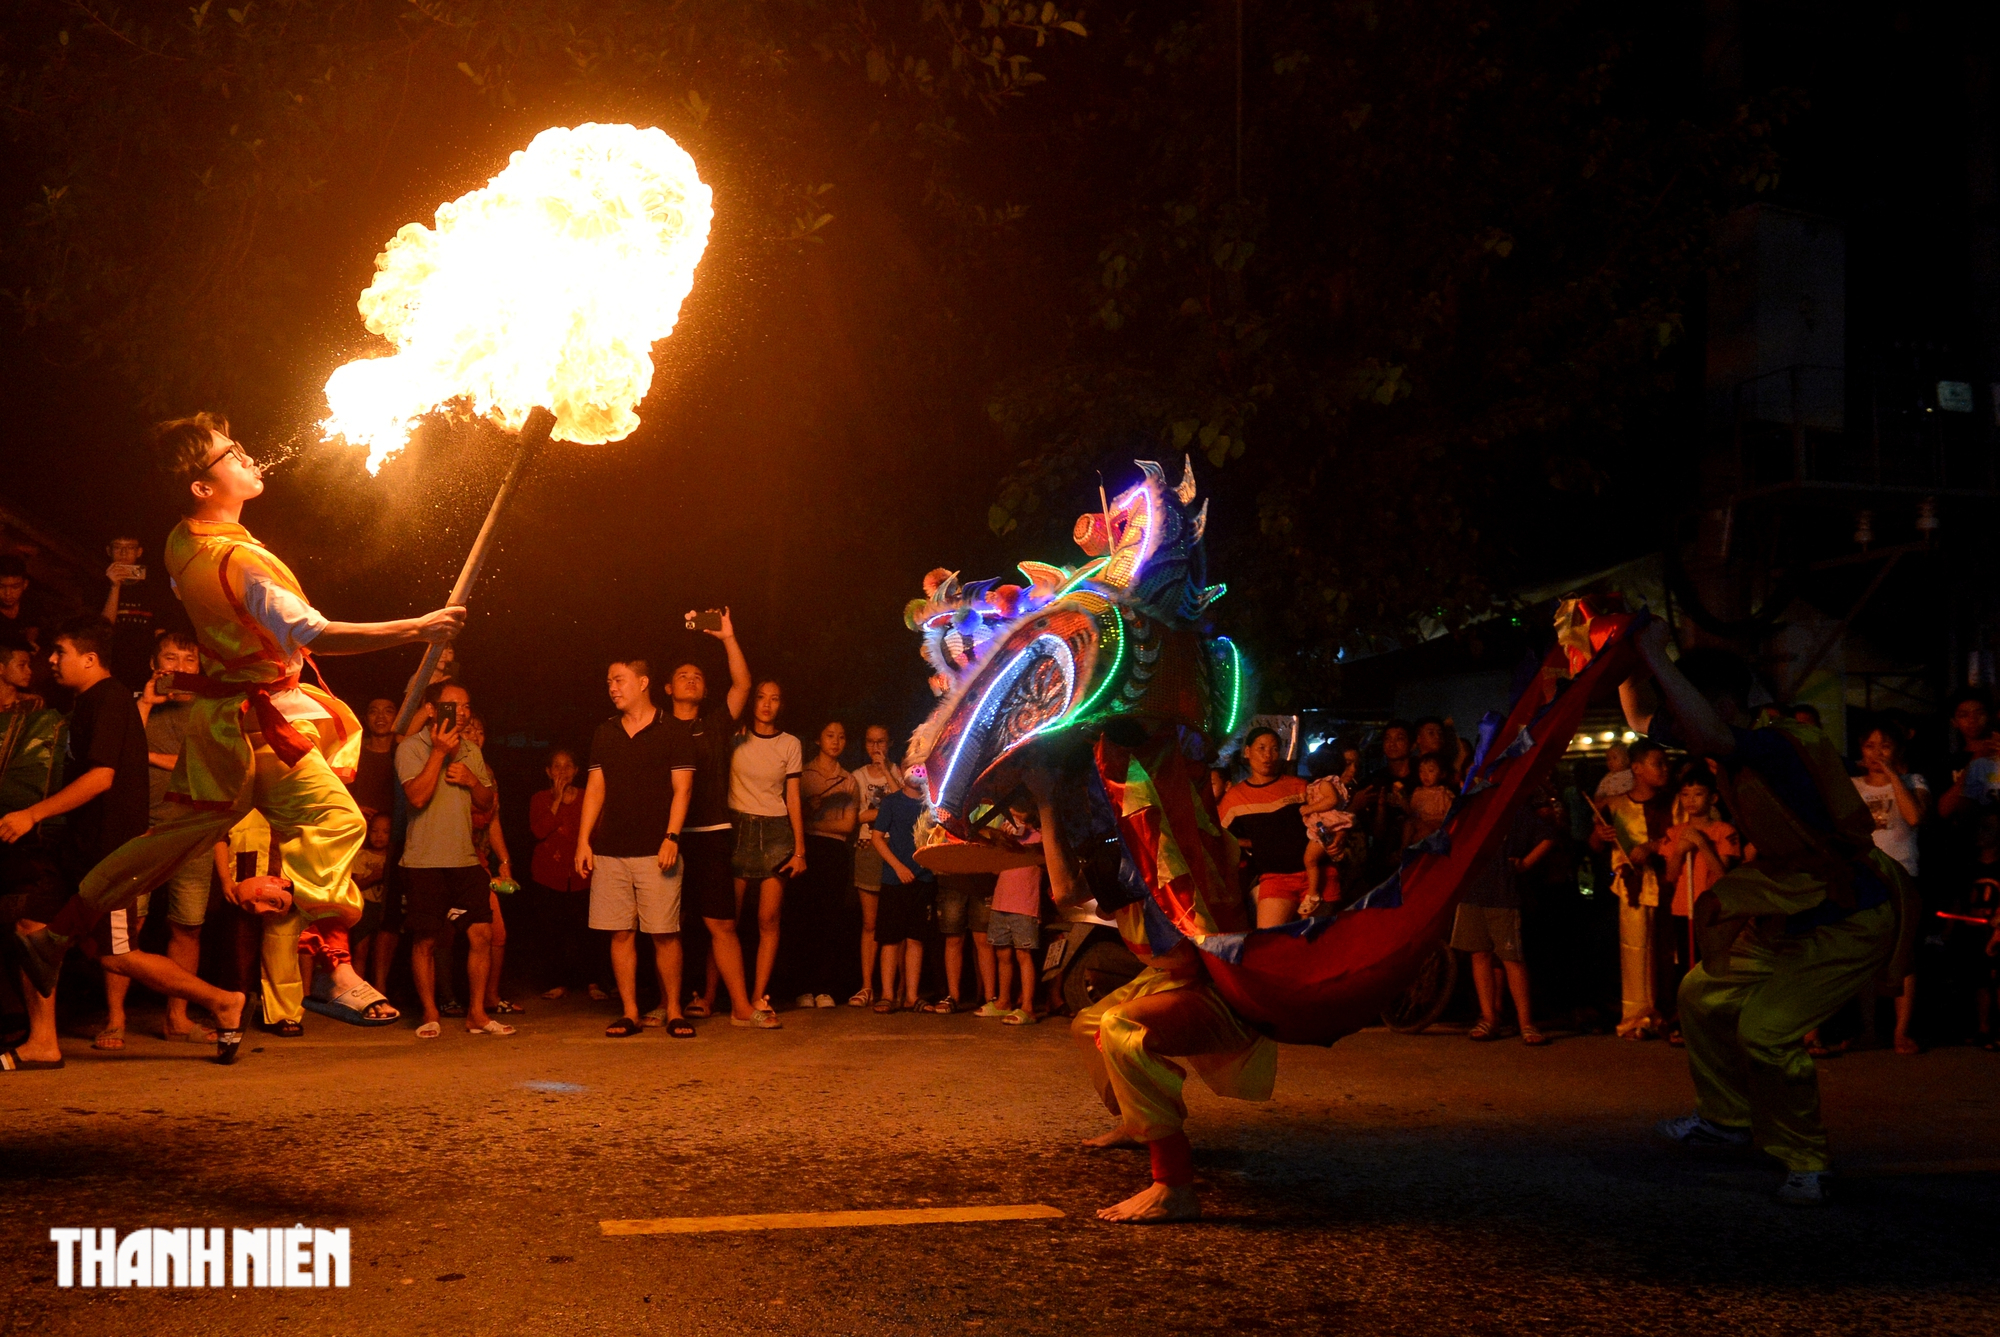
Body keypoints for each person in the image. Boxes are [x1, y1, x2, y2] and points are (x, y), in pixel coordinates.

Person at [14, 415, 460, 1024]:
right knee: (334, 821)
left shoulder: (180, 540)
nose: (250, 459)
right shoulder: (241, 563)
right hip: (260, 724)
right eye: (233, 454)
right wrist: (417, 627)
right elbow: (318, 635)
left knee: (162, 844)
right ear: (202, 486)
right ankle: (334, 967)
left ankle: (56, 934)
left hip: (221, 723)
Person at [1621, 623, 1912, 1205]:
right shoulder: (1732, 735)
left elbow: (1706, 731)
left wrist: (1654, 653)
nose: (1674, 731)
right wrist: (1623, 650)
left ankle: (1807, 1159)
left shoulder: (1778, 742)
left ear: (1721, 704)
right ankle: (1726, 1120)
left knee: (1766, 1031)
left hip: (1848, 914)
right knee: (1700, 995)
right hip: (1793, 901)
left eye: (1683, 710)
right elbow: (1636, 721)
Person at [2, 617, 252, 1069]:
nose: (52, 661)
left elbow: (102, 776)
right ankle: (42, 1042)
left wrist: (32, 814)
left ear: (90, 658)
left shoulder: (110, 700)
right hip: (78, 849)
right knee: (31, 932)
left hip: (109, 857)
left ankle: (222, 1001)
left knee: (119, 957)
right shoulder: (96, 702)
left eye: (60, 652)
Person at [573, 659, 694, 1039]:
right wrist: (583, 841)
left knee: (664, 933)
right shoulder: (605, 732)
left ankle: (673, 1010)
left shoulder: (672, 730)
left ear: (643, 682)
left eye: (619, 680)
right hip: (611, 849)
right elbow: (595, 790)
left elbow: (683, 789)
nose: (612, 687)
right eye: (609, 680)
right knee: (620, 932)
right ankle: (630, 1012)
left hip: (656, 849)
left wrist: (671, 836)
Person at [662, 610, 761, 1028]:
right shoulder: (657, 728)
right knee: (665, 925)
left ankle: (741, 1007)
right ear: (666, 689)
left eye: (698, 675)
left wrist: (728, 638)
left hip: (713, 834)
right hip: (667, 838)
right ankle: (669, 1005)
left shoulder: (716, 723)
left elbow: (743, 685)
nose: (692, 679)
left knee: (721, 922)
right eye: (683, 675)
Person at [398, 681, 512, 1038]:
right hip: (423, 861)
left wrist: (471, 780)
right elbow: (415, 798)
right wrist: (437, 754)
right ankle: (430, 1013)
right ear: (432, 710)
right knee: (426, 940)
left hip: (465, 859)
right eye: (453, 706)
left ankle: (476, 1013)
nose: (461, 713)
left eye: (466, 707)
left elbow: (487, 803)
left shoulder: (470, 751)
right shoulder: (410, 747)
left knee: (481, 933)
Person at [134, 631, 220, 1042]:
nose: (181, 667)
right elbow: (117, 751)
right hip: (142, 828)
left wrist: (146, 757)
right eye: (171, 658)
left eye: (190, 660)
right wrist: (148, 703)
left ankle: (177, 1016)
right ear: (156, 664)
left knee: (188, 926)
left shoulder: (211, 710)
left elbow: (202, 766)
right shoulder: (140, 704)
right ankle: (115, 1016)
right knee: (128, 924)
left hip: (192, 831)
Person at [725, 679, 806, 1018]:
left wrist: (800, 850)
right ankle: (717, 995)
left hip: (775, 832)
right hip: (738, 827)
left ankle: (759, 996)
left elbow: (792, 796)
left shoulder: (791, 744)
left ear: (781, 705)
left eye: (774, 699)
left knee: (768, 918)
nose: (767, 705)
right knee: (726, 919)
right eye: (761, 697)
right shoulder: (735, 736)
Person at [1451, 797, 1558, 1045]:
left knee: (1512, 958)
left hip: (1503, 893)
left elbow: (1548, 836)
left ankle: (1526, 1023)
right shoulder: (1468, 809)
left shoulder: (1514, 809)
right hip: (1471, 891)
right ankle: (1488, 1018)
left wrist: (1526, 863)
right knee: (1480, 954)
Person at [1849, 723, 1928, 1055]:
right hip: (1864, 876)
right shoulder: (1851, 786)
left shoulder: (1914, 782)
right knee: (1866, 953)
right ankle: (1868, 1029)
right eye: (1870, 746)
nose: (1876, 753)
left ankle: (1900, 1031)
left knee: (1902, 955)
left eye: (1884, 746)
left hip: (1902, 874)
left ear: (1897, 750)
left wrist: (1894, 776)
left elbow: (1914, 817)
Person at [1589, 737, 1674, 1040]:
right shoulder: (1616, 804)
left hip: (1668, 885)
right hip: (1632, 888)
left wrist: (1653, 846)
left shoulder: (1674, 801)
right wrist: (1601, 833)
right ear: (1637, 768)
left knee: (1667, 952)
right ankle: (1637, 1017)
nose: (1664, 769)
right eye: (1657, 763)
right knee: (1634, 952)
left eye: (1665, 763)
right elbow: (1596, 844)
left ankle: (1668, 1015)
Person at [1659, 762, 1745, 1036]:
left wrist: (1702, 844)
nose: (1691, 800)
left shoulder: (1723, 831)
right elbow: (1670, 877)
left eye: (1697, 794)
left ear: (1713, 798)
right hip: (1683, 908)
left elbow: (1722, 875)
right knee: (1686, 967)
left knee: (1712, 967)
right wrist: (1680, 849)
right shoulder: (1675, 832)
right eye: (1685, 795)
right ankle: (1686, 1022)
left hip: (1712, 910)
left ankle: (1715, 1022)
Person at [792, 721, 858, 1009]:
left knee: (832, 919)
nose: (836, 741)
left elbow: (847, 824)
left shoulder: (848, 780)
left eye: (841, 737)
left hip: (835, 851)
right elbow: (793, 817)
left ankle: (825, 987)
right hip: (806, 849)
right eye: (830, 736)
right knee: (806, 918)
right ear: (818, 740)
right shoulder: (803, 774)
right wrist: (809, 812)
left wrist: (815, 819)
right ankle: (804, 987)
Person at [1219, 726, 1310, 927]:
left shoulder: (1298, 786)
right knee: (1269, 941)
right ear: (1247, 752)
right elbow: (1217, 836)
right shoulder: (1235, 797)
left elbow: (1324, 820)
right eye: (1261, 748)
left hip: (1314, 874)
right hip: (1274, 878)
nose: (1268, 755)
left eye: (1274, 749)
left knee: (1317, 940)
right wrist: (1250, 843)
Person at [461, 710, 520, 1020]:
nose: (475, 737)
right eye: (468, 731)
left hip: (481, 863)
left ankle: (490, 997)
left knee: (497, 933)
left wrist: (505, 861)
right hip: (453, 861)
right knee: (440, 936)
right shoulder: (452, 769)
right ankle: (443, 1001)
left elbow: (492, 821)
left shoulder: (488, 773)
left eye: (480, 732)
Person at [528, 747, 597, 1000]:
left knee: (589, 931)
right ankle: (557, 982)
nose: (562, 771)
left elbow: (595, 832)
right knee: (551, 931)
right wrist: (556, 801)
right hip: (548, 875)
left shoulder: (589, 796)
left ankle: (593, 982)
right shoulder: (539, 798)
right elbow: (538, 831)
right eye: (556, 766)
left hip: (583, 873)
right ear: (548, 771)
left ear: (577, 770)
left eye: (568, 765)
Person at [869, 767, 934, 1014]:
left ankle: (911, 996)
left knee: (916, 938)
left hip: (924, 878)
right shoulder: (892, 802)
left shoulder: (932, 803)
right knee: (890, 939)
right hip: (894, 880)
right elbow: (876, 838)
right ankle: (886, 995)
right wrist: (897, 867)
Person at [848, 724, 901, 1007]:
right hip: (868, 849)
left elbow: (903, 804)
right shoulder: (857, 776)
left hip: (896, 849)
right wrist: (882, 813)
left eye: (881, 741)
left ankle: (896, 989)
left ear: (890, 742)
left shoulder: (900, 772)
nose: (876, 747)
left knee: (894, 923)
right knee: (870, 923)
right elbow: (856, 816)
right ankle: (867, 986)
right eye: (870, 742)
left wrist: (889, 773)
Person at [984, 799, 1045, 1025]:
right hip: (1001, 902)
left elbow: (1048, 859)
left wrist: (1027, 831)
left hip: (1025, 904)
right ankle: (1003, 1001)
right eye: (1010, 811)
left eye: (1017, 810)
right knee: (1002, 954)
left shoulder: (1040, 836)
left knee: (1023, 954)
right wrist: (1001, 841)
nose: (1012, 814)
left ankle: (1028, 1007)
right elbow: (993, 869)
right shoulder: (1007, 837)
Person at [1403, 753, 1454, 847]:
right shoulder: (1417, 792)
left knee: (1426, 832)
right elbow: (1412, 812)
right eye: (1421, 771)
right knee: (1408, 824)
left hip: (1435, 826)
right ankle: (1403, 849)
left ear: (1442, 774)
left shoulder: (1444, 794)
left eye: (1430, 770)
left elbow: (1450, 815)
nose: (1425, 775)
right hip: (1419, 824)